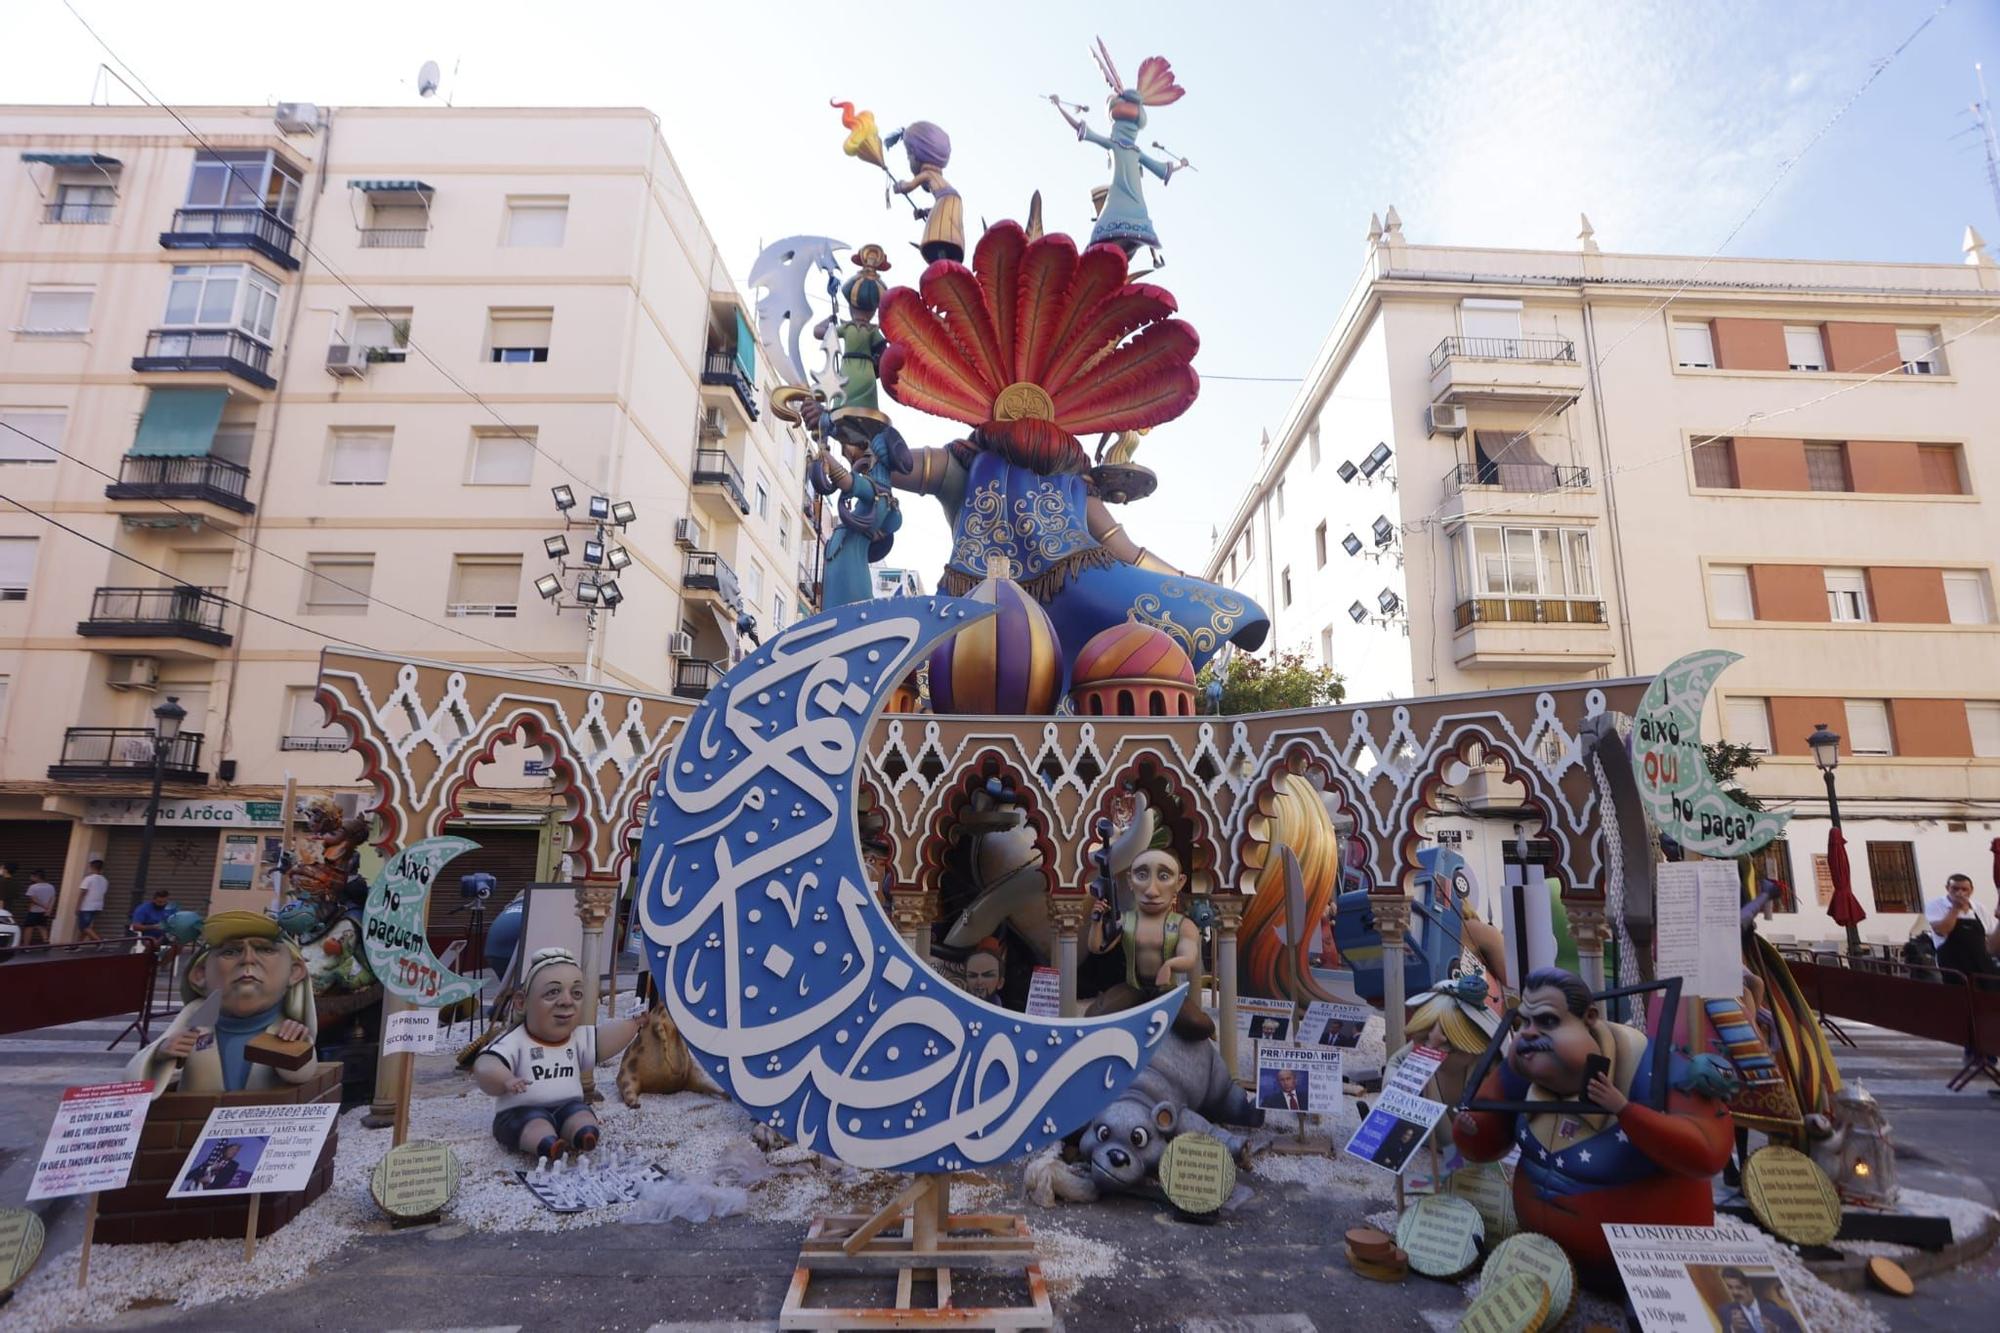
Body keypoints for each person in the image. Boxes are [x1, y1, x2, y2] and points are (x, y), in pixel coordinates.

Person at [1453, 968, 1736, 1292]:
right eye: (1524, 1022)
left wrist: (1627, 1112)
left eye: (1547, 1021)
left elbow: (1708, 1153)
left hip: (1644, 1277)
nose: (1529, 1034)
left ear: (1589, 1018)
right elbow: (1485, 1140)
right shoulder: (1527, 1063)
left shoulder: (1655, 1071)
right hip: (1541, 1262)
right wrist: (1471, 1130)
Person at [474, 947, 640, 1161]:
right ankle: (547, 1145)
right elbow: (486, 1064)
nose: (566, 1001)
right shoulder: (516, 1041)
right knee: (534, 1125)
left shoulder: (576, 1038)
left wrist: (633, 1025)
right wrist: (506, 1079)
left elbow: (602, 1042)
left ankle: (583, 1134)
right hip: (521, 1111)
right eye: (552, 992)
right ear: (522, 1002)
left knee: (581, 1116)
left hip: (568, 1105)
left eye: (576, 993)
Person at [126, 912, 318, 1096]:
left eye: (265, 950)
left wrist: (293, 1047)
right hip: (197, 1120)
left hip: (258, 1121)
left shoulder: (284, 1025)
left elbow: (302, 1075)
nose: (248, 959)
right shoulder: (198, 1015)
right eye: (230, 952)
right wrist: (161, 1053)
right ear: (200, 975)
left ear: (294, 972)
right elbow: (133, 1080)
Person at [1712, 1267, 1804, 1333]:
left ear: (1749, 1288)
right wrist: (1734, 1330)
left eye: (1739, 1288)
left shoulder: (1780, 1313)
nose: (1735, 1292)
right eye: (1730, 1287)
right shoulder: (1725, 1311)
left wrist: (1777, 1330)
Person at [77, 858, 109, 942]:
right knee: (85, 927)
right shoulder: (104, 880)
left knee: (84, 926)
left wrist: (78, 906)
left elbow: (83, 893)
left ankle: (99, 941)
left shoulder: (88, 879)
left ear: (92, 867)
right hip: (98, 906)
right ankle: (76, 945)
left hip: (86, 906)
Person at [22, 869, 55, 946]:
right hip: (44, 911)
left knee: (29, 927)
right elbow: (53, 898)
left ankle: (26, 945)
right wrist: (49, 909)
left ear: (37, 877)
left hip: (34, 911)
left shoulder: (33, 887)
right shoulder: (51, 886)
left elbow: (33, 899)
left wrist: (43, 905)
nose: (30, 877)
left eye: (32, 876)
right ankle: (46, 941)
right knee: (42, 926)